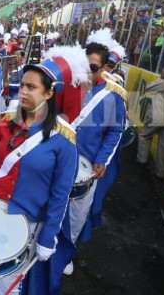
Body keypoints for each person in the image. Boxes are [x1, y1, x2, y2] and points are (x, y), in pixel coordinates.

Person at [0, 45, 89, 295]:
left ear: (49, 92)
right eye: (22, 85)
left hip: (26, 222)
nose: (23, 91)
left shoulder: (64, 140)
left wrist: (47, 237)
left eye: (31, 87)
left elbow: (60, 195)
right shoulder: (6, 122)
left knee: (9, 286)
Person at [66, 42, 126, 274]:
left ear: (103, 68)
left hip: (87, 165)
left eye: (93, 67)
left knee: (77, 212)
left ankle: (66, 250)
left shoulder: (113, 95)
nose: (87, 72)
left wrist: (102, 159)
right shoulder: (67, 85)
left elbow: (115, 131)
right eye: (84, 66)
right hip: (59, 158)